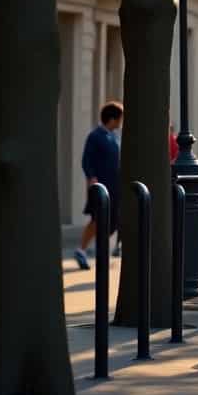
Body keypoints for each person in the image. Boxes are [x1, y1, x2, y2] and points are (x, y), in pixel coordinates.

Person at [75, 102, 123, 270]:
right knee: (97, 219)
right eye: (119, 119)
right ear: (112, 119)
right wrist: (91, 177)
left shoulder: (114, 136)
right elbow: (86, 160)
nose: (121, 122)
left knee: (113, 220)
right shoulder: (95, 136)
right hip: (100, 185)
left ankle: (100, 248)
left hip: (114, 186)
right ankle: (81, 250)